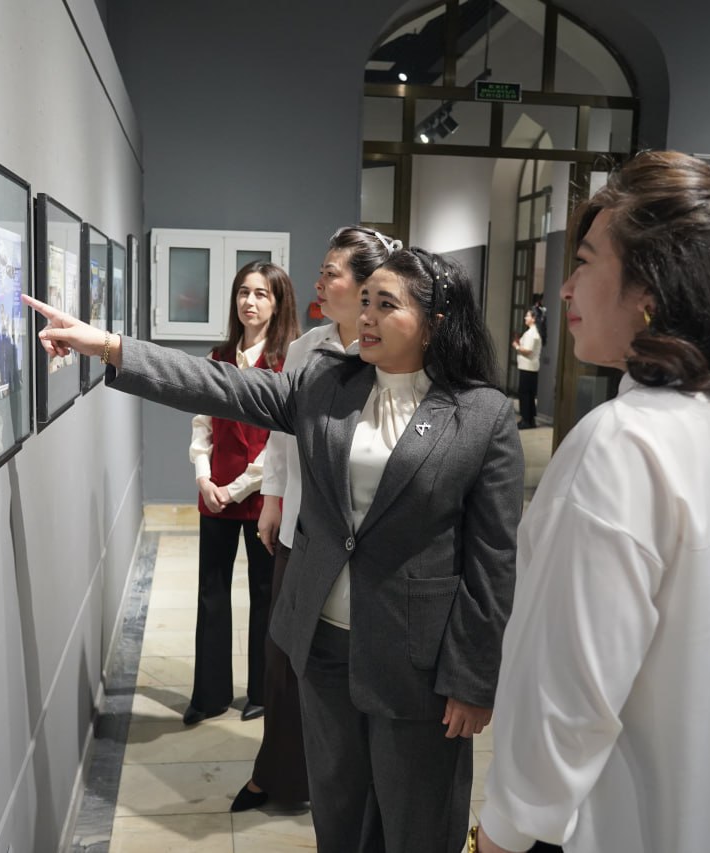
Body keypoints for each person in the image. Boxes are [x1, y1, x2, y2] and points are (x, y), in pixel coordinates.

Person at [27, 246, 523, 853]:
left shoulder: (482, 415)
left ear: (436, 321)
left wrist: (474, 680)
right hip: (324, 644)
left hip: (415, 658)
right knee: (338, 812)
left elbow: (493, 560)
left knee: (417, 821)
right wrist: (108, 345)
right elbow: (217, 384)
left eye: (385, 305)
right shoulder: (326, 384)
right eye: (364, 301)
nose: (365, 316)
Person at [471, 151, 710, 853]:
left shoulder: (623, 445)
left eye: (585, 261)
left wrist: (504, 830)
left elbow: (565, 693)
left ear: (653, 289)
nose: (568, 287)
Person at [233, 225, 399, 813]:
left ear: (367, 288)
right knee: (284, 661)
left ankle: (347, 788)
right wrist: (274, 498)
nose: (318, 282)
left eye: (331, 273)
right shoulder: (306, 350)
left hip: (366, 545)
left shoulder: (397, 360)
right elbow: (281, 435)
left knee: (350, 670)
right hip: (302, 531)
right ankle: (279, 775)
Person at [182, 260, 299, 726]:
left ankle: (263, 692)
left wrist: (233, 488)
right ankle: (209, 695)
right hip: (215, 495)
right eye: (243, 293)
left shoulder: (288, 363)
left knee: (265, 594)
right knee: (211, 592)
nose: (249, 302)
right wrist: (203, 477)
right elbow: (201, 424)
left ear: (277, 303)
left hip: (262, 498)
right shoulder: (218, 358)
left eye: (261, 294)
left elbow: (277, 446)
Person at [510, 309, 541, 429]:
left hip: (528, 367)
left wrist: (517, 346)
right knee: (530, 395)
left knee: (525, 394)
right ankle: (530, 419)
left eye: (527, 316)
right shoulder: (533, 332)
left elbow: (527, 351)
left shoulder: (532, 333)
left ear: (533, 319)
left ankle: (526, 420)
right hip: (531, 368)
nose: (525, 318)